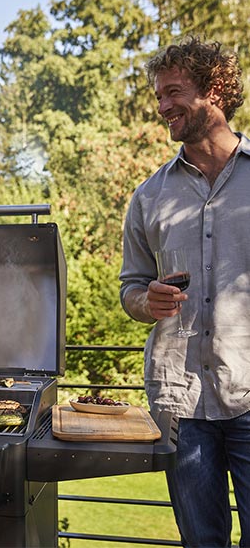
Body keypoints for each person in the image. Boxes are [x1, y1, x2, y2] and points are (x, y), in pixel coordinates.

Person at [120, 36, 250, 547]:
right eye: (159, 96)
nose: (162, 107)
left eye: (173, 92)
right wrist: (143, 300)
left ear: (215, 88)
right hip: (181, 403)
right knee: (201, 542)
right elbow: (131, 287)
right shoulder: (149, 196)